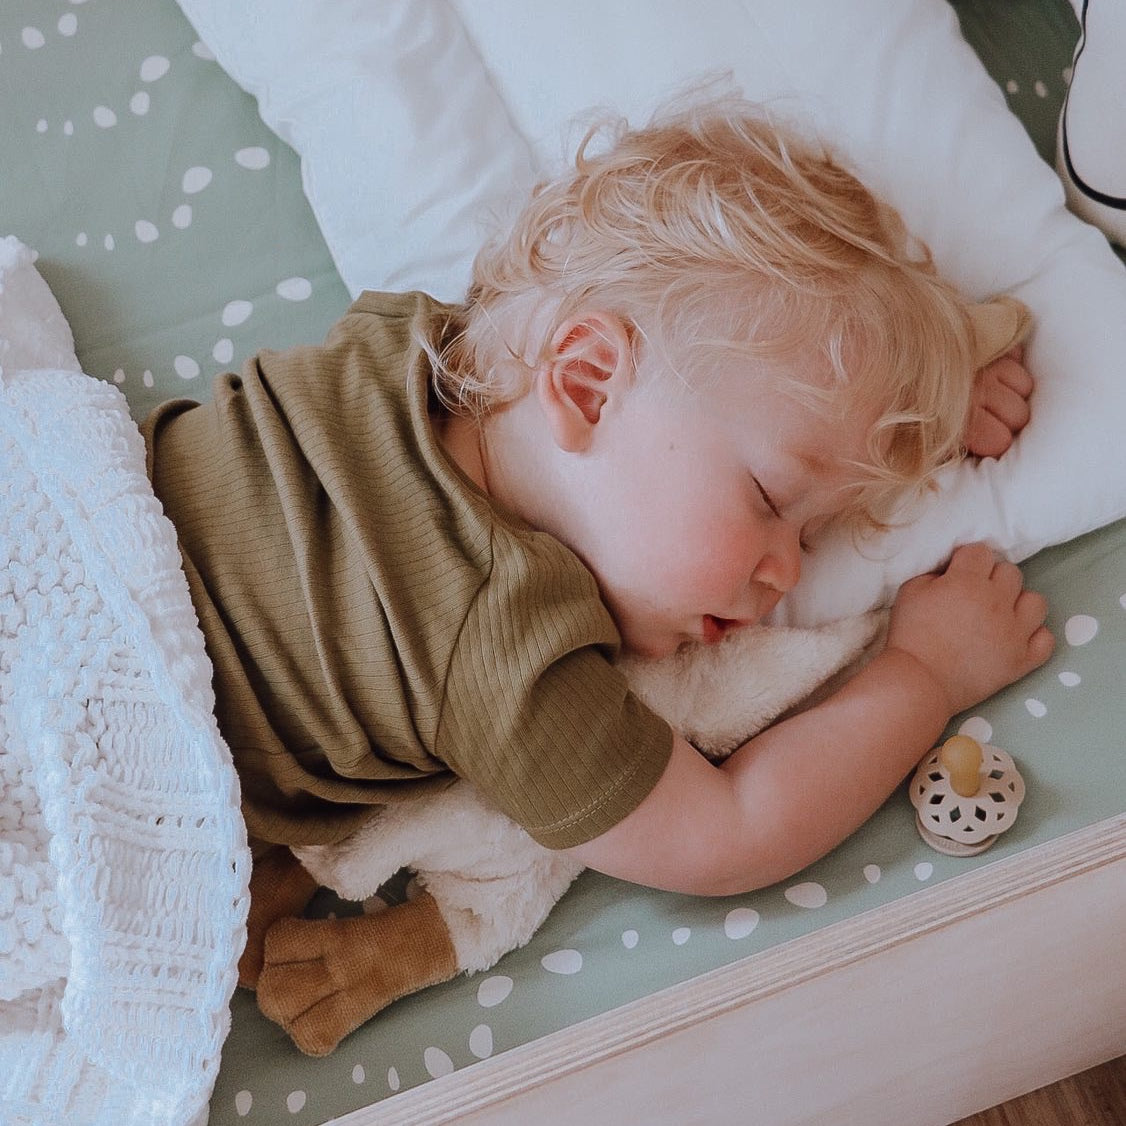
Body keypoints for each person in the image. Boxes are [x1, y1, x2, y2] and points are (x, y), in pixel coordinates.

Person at [144, 98, 1050, 911]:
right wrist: (927, 671)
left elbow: (641, 327)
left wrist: (914, 411)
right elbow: (729, 835)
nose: (791, 570)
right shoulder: (503, 650)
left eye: (814, 529)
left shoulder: (402, 342)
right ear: (583, 383)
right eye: (772, 498)